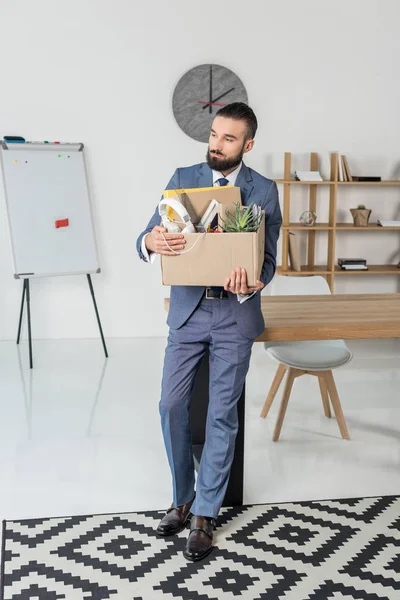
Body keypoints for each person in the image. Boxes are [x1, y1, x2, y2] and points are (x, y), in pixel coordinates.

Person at [136, 102, 282, 561]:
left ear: (248, 145)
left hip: (235, 315)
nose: (216, 144)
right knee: (171, 403)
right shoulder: (182, 176)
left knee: (221, 413)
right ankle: (182, 496)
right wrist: (150, 242)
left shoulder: (265, 190)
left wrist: (257, 278)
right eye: (214, 135)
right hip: (188, 313)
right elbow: (146, 235)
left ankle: (204, 513)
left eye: (228, 139)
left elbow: (270, 259)